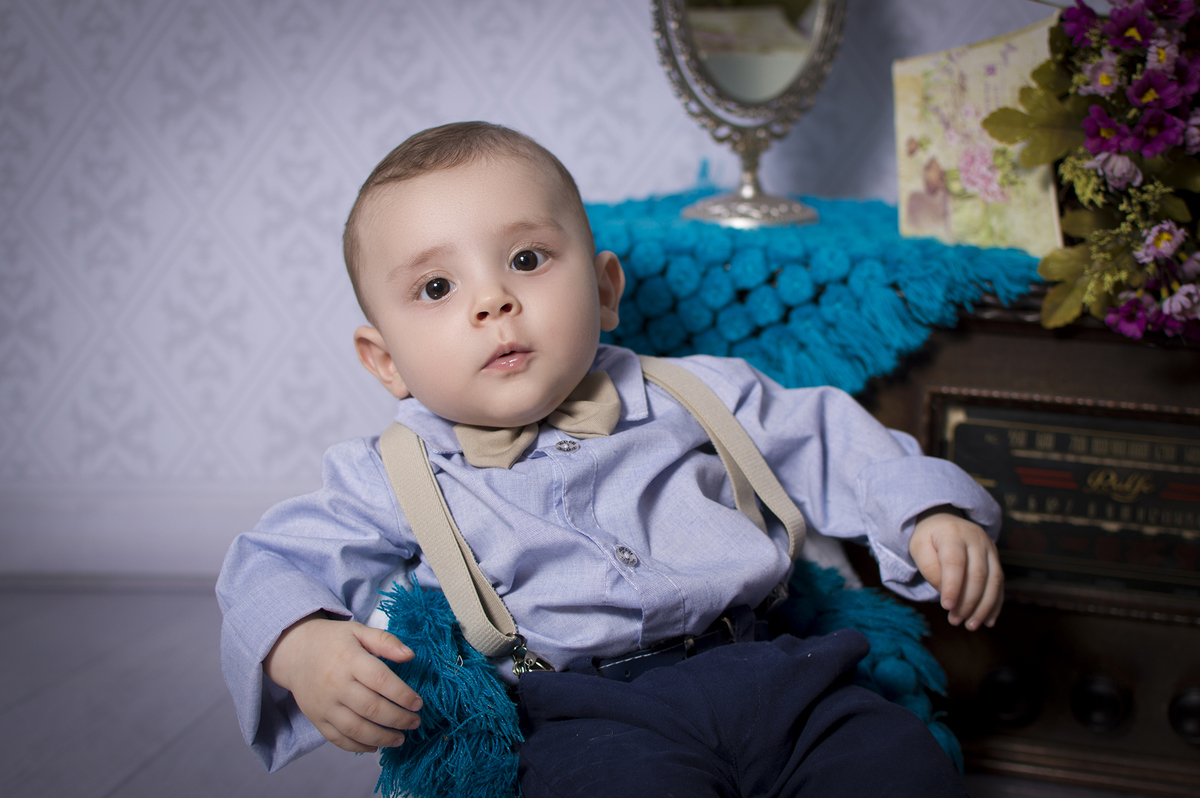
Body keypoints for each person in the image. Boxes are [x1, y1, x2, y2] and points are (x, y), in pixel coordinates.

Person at [217, 121, 1005, 797]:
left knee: (897, 763)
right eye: (436, 287)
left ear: (604, 290)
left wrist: (925, 510)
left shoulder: (693, 391)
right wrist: (301, 644)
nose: (492, 301)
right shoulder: (390, 472)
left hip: (776, 668)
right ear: (385, 360)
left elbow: (824, 434)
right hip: (577, 714)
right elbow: (271, 562)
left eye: (527, 259)